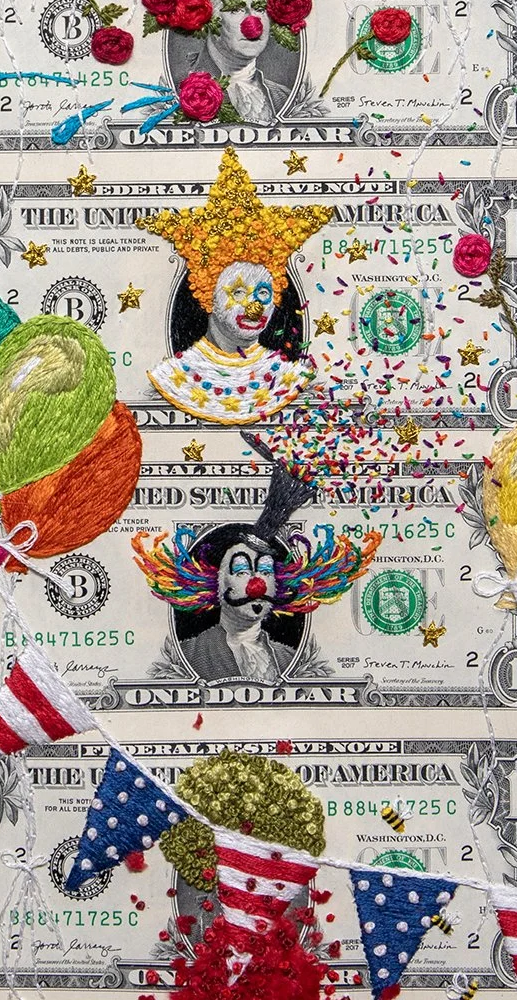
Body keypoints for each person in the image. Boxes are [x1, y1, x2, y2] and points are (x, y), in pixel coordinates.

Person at [133, 439, 381, 684]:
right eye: (241, 570)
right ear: (215, 582)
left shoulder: (288, 657)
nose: (257, 585)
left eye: (265, 571)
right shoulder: (189, 654)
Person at [136, 148, 332, 423]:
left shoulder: (294, 380)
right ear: (208, 295)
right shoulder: (170, 378)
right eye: (238, 292)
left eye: (263, 293)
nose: (255, 307)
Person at [168, 0, 296, 124]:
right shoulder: (176, 93)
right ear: (209, 19)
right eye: (235, 10)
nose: (253, 23)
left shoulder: (285, 97)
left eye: (260, 9)